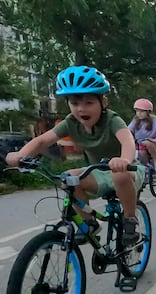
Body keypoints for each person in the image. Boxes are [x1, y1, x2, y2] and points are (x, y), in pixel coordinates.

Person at [5, 65, 145, 246]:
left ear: (103, 102)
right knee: (69, 178)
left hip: (128, 171)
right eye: (75, 103)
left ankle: (130, 219)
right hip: (97, 172)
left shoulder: (112, 119)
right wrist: (20, 155)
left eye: (89, 103)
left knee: (119, 174)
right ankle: (89, 223)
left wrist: (124, 160)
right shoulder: (71, 122)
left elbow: (127, 140)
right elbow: (42, 141)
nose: (81, 109)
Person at [128, 98, 156, 171]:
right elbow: (128, 130)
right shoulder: (135, 120)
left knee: (147, 143)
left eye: (142, 111)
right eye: (137, 111)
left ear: (148, 112)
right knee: (141, 150)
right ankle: (145, 165)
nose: (139, 113)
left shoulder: (155, 119)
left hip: (152, 142)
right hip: (139, 143)